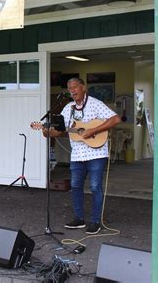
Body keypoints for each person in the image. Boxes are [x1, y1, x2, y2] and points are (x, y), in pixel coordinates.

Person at [42, 77, 121, 235]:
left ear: (83, 87)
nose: (72, 90)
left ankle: (95, 221)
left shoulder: (95, 103)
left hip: (96, 153)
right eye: (70, 88)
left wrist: (93, 130)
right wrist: (47, 132)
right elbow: (61, 130)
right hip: (77, 155)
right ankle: (79, 219)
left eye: (75, 87)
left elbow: (115, 119)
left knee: (94, 187)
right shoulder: (68, 108)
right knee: (76, 186)